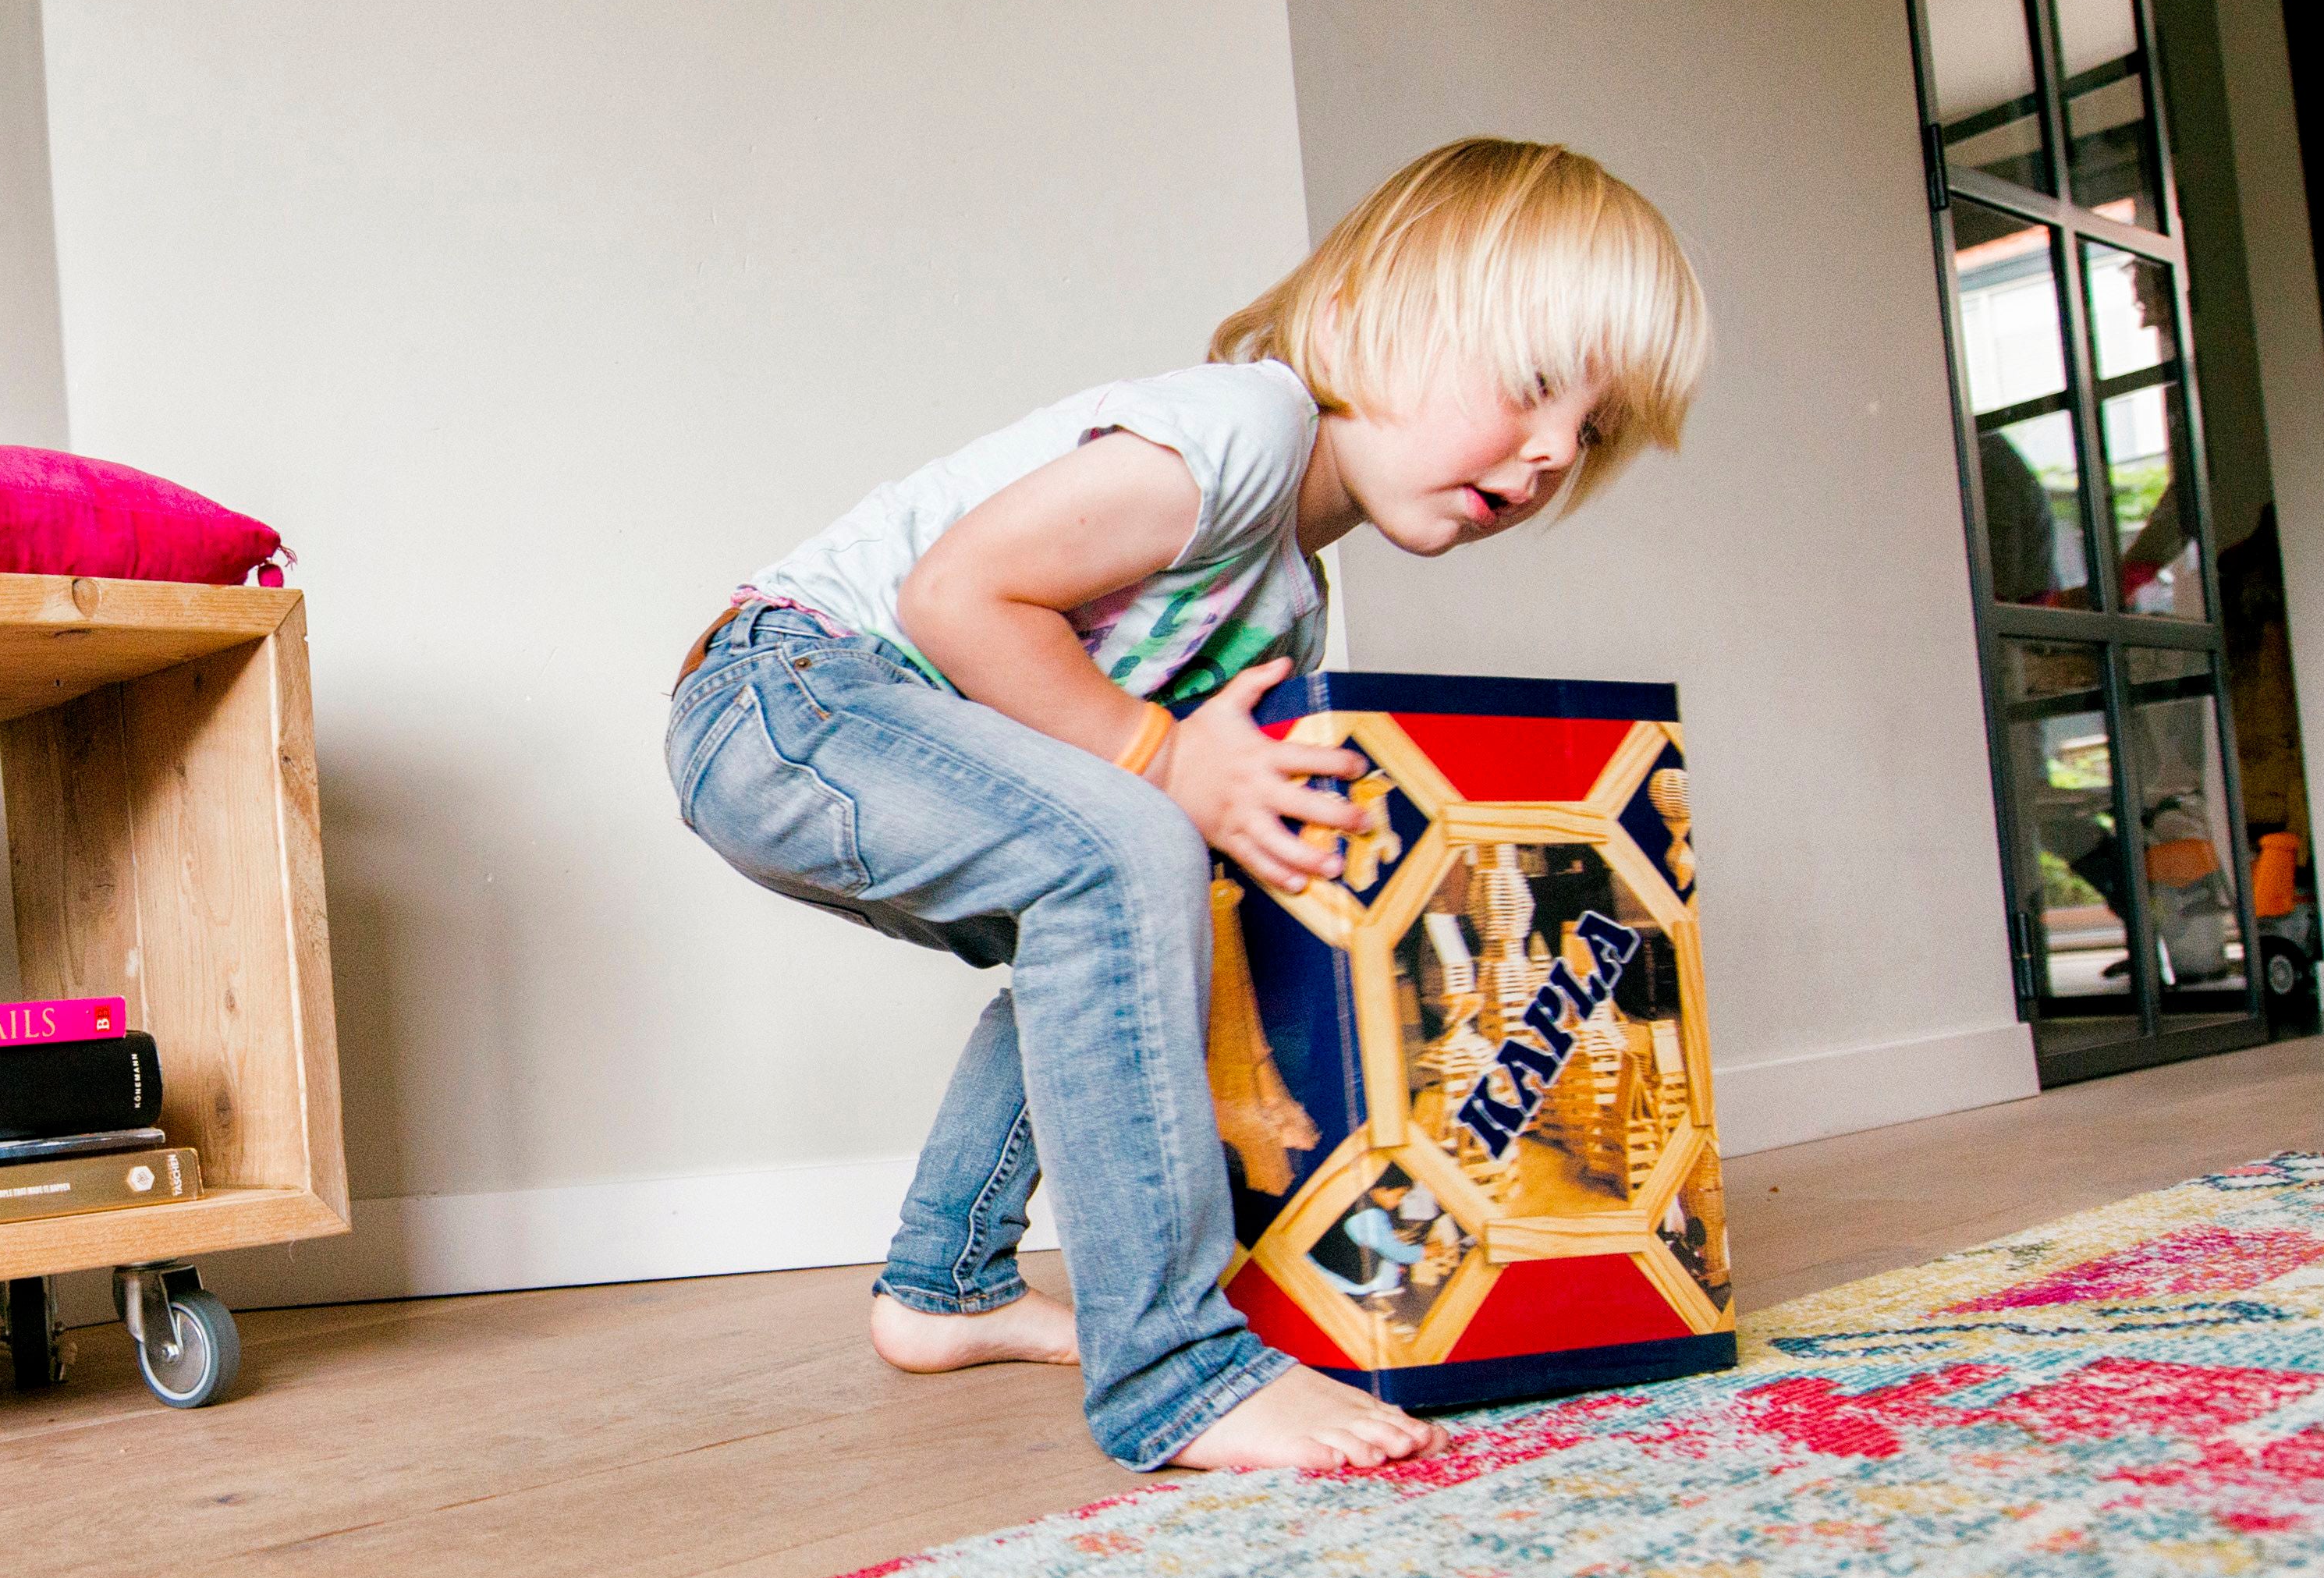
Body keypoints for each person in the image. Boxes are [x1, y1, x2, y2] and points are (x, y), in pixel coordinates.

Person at [664, 138, 1709, 1477]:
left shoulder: (1287, 599)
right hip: (788, 694)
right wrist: (1160, 762)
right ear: (1359, 319)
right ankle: (1177, 1368)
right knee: (1131, 856)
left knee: (1148, 930)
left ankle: (946, 1284)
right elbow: (958, 597)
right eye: (1537, 383)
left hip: (847, 727)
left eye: (1593, 430)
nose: (1555, 448)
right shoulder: (1238, 433)